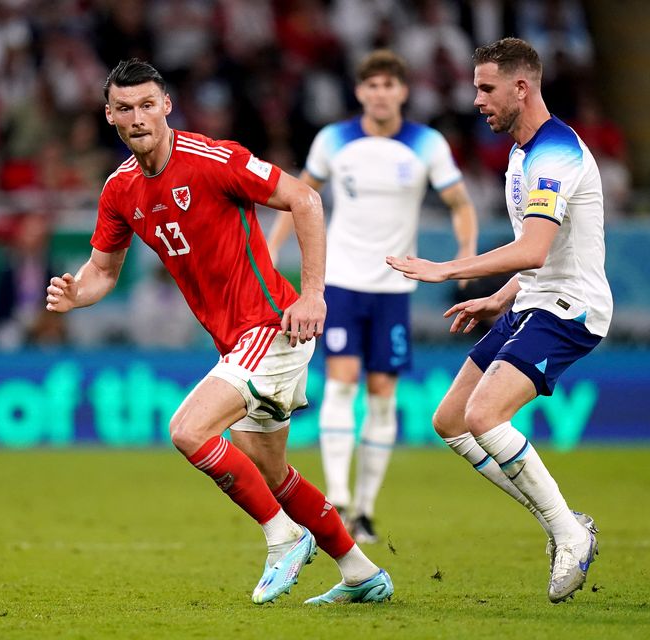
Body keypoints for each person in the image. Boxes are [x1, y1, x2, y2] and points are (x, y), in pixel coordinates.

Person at [46, 59, 393, 606]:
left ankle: (283, 539)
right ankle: (360, 570)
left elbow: (305, 199)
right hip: (235, 341)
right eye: (124, 108)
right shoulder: (120, 190)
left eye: (146, 105)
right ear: (108, 115)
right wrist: (76, 294)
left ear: (166, 106)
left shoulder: (213, 159)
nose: (137, 117)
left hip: (270, 325)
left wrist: (313, 294)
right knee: (271, 471)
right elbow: (103, 272)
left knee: (188, 430)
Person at [387, 37, 611, 603]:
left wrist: (447, 269)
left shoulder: (555, 153)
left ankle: (567, 532)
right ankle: (562, 522)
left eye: (486, 88)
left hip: (570, 308)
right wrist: (500, 298)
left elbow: (536, 250)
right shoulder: (519, 152)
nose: (477, 100)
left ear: (521, 86)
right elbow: (536, 254)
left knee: (485, 415)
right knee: (451, 420)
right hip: (532, 300)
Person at [267, 49, 478, 544]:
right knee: (341, 382)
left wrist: (466, 253)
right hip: (340, 280)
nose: (381, 93)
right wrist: (273, 249)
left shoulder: (426, 144)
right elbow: (297, 196)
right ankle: (338, 501)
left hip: (394, 286)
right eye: (372, 85)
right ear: (360, 92)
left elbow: (460, 202)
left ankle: (364, 510)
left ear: (403, 91)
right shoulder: (333, 140)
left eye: (390, 85)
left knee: (383, 395)